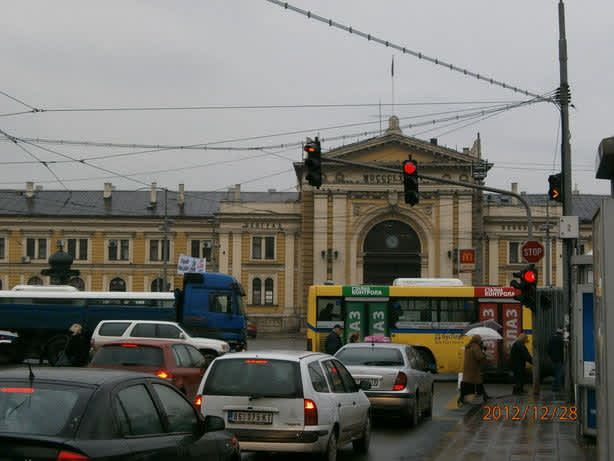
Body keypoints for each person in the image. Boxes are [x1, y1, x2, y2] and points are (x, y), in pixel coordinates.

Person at [458, 335, 489, 405]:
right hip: (473, 368)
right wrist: (484, 352)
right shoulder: (475, 347)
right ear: (477, 340)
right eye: (480, 340)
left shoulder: (468, 346)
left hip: (468, 368)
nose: (481, 341)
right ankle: (484, 396)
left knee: (467, 383)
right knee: (478, 383)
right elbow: (479, 357)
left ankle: (462, 398)